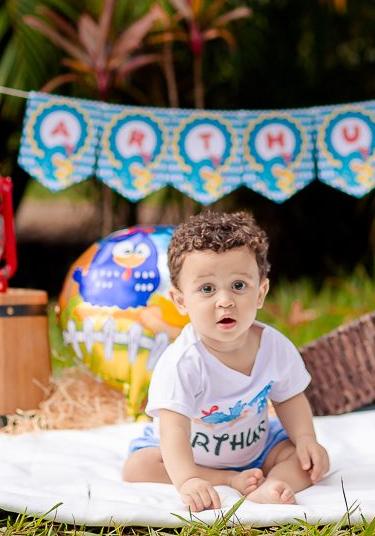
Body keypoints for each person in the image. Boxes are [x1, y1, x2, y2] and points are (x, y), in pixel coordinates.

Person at [122, 211, 330, 512]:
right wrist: (187, 480)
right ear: (180, 301)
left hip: (258, 448)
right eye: (207, 289)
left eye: (239, 286)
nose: (225, 301)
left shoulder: (274, 347)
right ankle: (225, 479)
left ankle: (272, 486)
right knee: (137, 468)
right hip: (189, 455)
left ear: (261, 293)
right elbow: (174, 431)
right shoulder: (182, 363)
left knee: (306, 460)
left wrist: (306, 438)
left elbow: (289, 398)